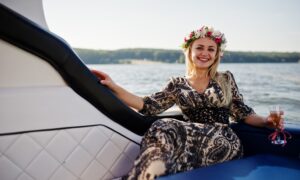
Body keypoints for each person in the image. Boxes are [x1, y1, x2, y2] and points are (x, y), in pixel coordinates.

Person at [91, 25, 283, 180]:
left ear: (216, 54)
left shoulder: (225, 79)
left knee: (165, 125)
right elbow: (147, 105)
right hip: (191, 139)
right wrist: (113, 86)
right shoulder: (177, 84)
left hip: (223, 140)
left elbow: (244, 113)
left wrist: (267, 121)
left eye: (211, 49)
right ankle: (145, 175)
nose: (204, 53)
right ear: (189, 51)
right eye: (199, 47)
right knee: (162, 128)